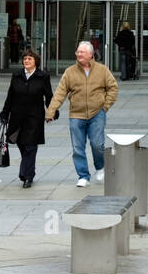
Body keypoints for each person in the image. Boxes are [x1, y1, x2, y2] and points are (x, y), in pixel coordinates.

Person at [46, 40, 118, 188]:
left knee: (97, 144)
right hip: (76, 115)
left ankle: (100, 167)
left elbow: (113, 88)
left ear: (91, 54)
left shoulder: (102, 70)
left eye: (82, 52)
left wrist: (105, 106)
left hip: (97, 113)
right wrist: (51, 111)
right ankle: (83, 176)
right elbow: (60, 93)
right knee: (78, 148)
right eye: (78, 52)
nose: (78, 54)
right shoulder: (70, 72)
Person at [0, 50, 56, 188]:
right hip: (17, 117)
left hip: (34, 118)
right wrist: (4, 113)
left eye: (30, 59)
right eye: (25, 59)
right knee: (21, 144)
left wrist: (52, 111)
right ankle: (28, 170)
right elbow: (10, 96)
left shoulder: (42, 77)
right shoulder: (17, 75)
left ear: (35, 61)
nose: (26, 61)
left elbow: (49, 96)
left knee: (30, 146)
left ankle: (27, 175)